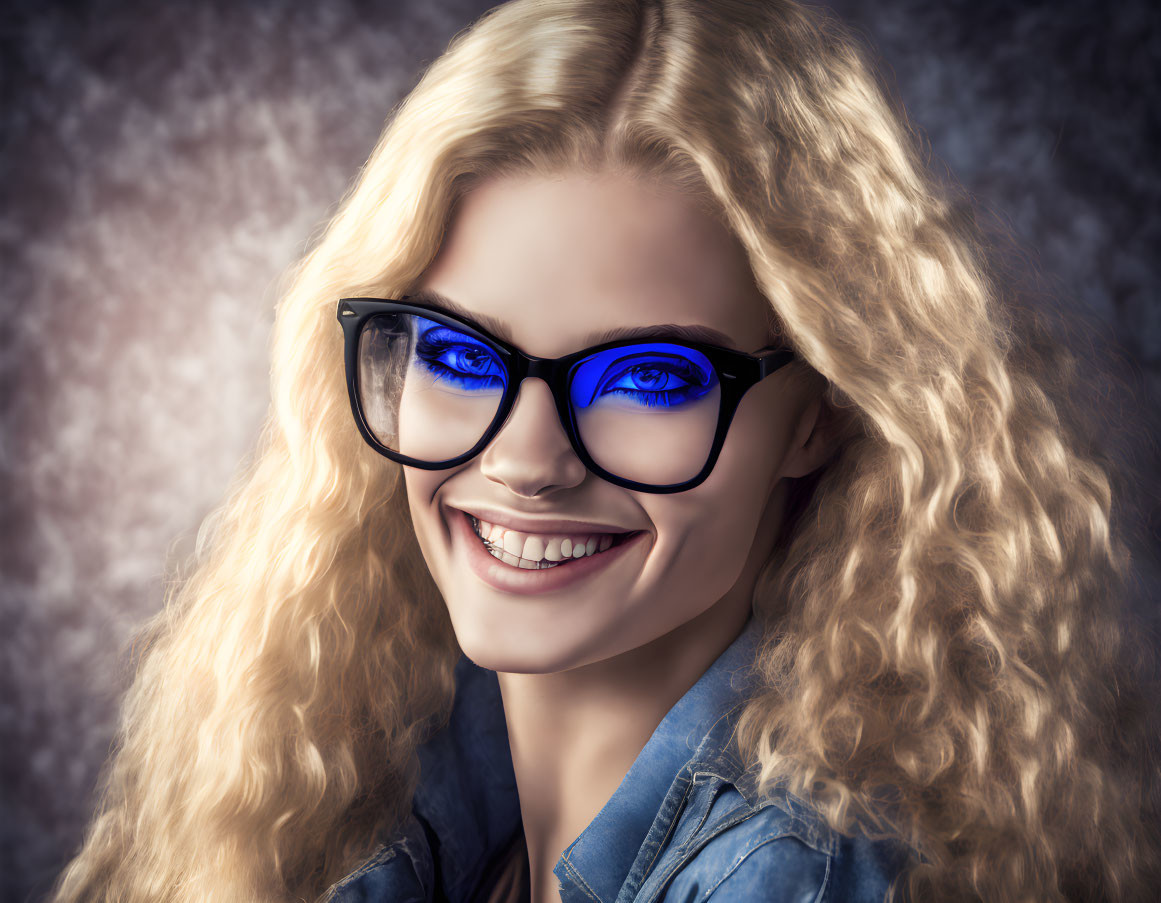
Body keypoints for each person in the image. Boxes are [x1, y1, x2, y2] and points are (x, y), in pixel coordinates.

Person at [49, 0, 1160, 901]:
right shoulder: (366, 788)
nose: (529, 459)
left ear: (821, 408)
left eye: (648, 377)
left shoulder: (796, 881)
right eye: (459, 355)